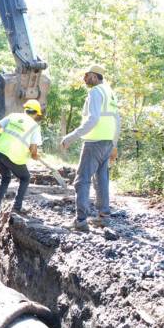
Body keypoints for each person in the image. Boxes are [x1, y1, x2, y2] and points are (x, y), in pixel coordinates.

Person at [61, 64, 120, 232]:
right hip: (107, 142)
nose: (84, 78)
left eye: (87, 75)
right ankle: (104, 217)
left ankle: (80, 221)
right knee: (101, 180)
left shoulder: (95, 92)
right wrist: (114, 144)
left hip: (94, 142)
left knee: (82, 180)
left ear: (95, 76)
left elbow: (93, 119)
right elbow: (117, 120)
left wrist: (70, 137)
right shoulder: (110, 92)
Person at [0, 99, 44, 215]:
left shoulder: (13, 116)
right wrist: (35, 155)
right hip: (12, 156)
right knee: (25, 178)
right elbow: (33, 148)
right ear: (36, 113)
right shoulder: (34, 126)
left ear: (25, 109)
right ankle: (17, 207)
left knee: (5, 178)